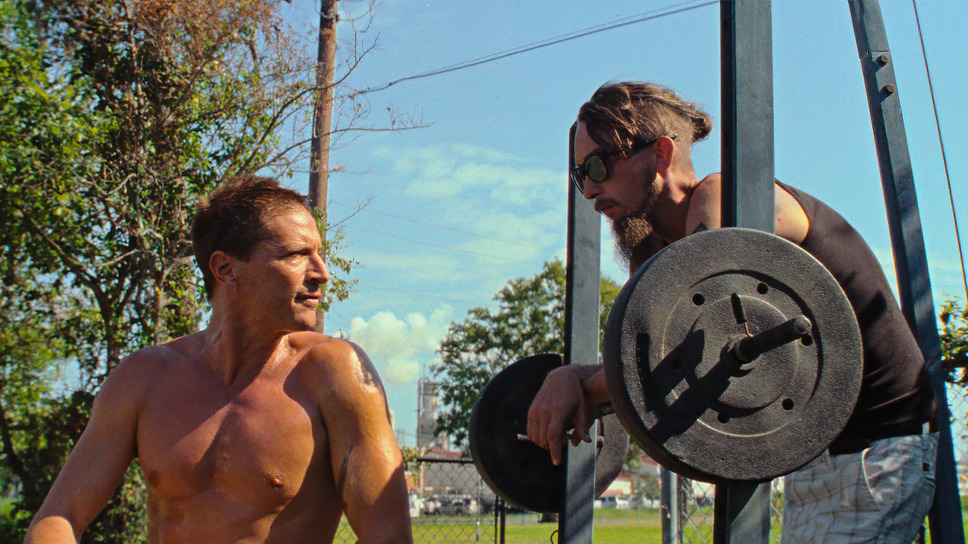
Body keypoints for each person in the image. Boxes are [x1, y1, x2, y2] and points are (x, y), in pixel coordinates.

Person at [526, 82, 938, 543]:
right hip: (815, 454)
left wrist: (577, 382)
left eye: (599, 164)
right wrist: (574, 379)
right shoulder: (655, 250)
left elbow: (686, 349)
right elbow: (647, 363)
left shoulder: (720, 198)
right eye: (580, 174)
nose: (589, 189)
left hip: (877, 450)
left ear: (661, 153)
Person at [24, 175, 413, 544]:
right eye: (296, 255)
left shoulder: (334, 374)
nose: (322, 273)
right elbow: (59, 516)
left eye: (319, 254)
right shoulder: (144, 378)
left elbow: (388, 534)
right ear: (225, 268)